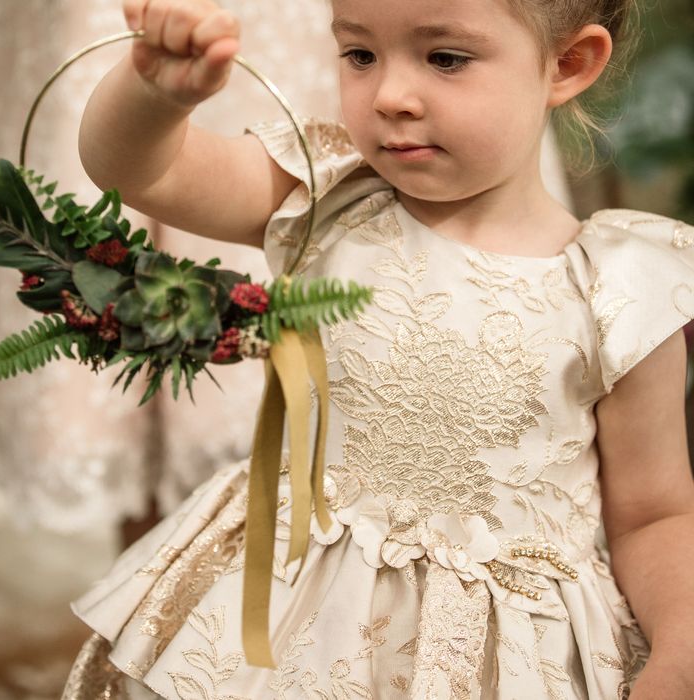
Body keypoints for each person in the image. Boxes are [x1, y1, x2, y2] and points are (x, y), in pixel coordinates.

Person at [61, 0, 694, 697]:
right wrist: (152, 95)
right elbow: (142, 172)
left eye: (445, 58)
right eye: (360, 55)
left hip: (494, 657)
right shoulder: (327, 194)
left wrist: (680, 647)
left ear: (567, 64)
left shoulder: (618, 290)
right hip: (287, 608)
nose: (389, 96)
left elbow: (654, 512)